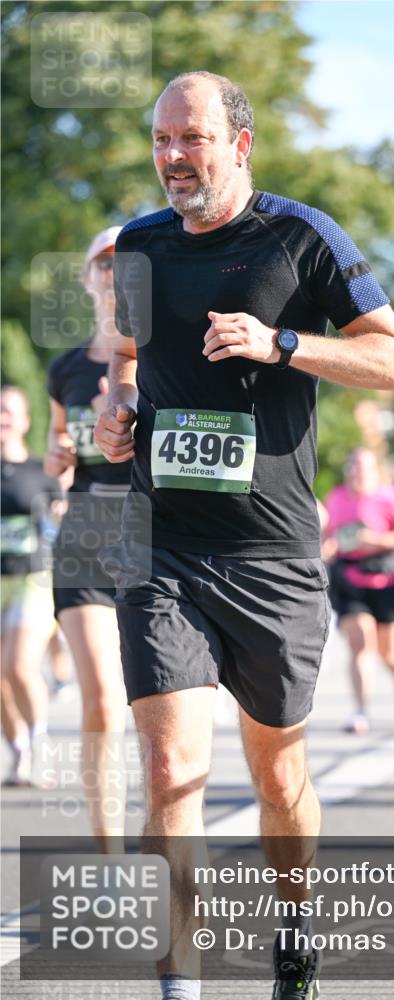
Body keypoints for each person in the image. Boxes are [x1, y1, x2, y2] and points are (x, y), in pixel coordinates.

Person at [94, 71, 394, 1000]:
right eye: (160, 139)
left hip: (271, 556)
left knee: (278, 783)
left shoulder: (302, 237)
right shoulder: (142, 247)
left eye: (189, 139)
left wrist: (282, 344)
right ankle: (179, 987)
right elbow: (123, 363)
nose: (170, 158)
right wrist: (115, 416)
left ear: (238, 144)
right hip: (162, 542)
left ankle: (295, 933)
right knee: (170, 773)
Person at [44, 226, 131, 850]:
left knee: (155, 712)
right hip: (86, 531)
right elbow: (59, 456)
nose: (113, 272)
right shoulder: (66, 369)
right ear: (86, 279)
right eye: (103, 263)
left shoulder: (166, 358)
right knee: (101, 700)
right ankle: (111, 860)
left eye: (127, 263)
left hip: (157, 532)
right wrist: (60, 456)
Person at [326, 448, 394, 732]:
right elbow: (330, 536)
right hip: (349, 578)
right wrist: (329, 547)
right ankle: (360, 710)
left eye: (363, 467)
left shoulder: (390, 496)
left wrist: (376, 539)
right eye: (352, 466)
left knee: (389, 650)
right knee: (360, 642)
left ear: (375, 470)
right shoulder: (337, 497)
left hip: (385, 579)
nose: (356, 472)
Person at [1, 386, 61, 785]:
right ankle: (19, 748)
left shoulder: (42, 472)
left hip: (35, 578)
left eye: (8, 412)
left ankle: (42, 745)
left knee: (19, 666)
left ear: (24, 421)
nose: (1, 419)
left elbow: (62, 522)